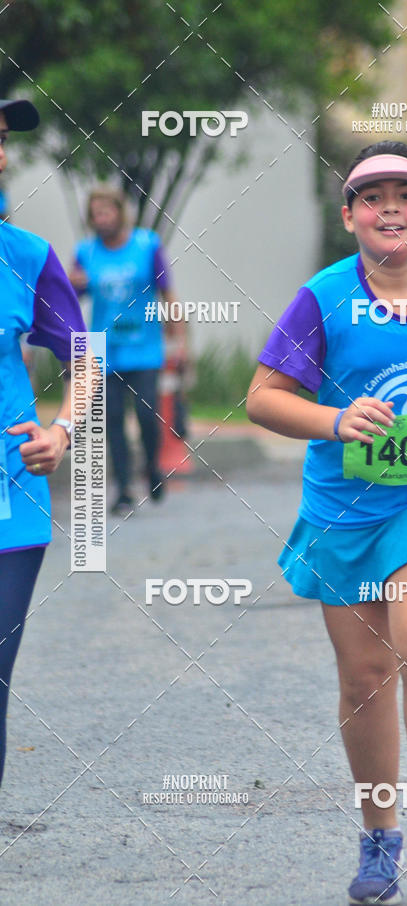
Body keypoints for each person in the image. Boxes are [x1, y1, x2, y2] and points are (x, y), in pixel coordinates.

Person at [247, 141, 407, 904]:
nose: (390, 207)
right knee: (363, 676)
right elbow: (262, 398)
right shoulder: (323, 297)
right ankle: (378, 831)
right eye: (372, 195)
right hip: (346, 507)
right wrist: (334, 417)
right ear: (349, 215)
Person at [0, 98, 87, 785]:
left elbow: (84, 355)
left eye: (0, 141)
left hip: (10, 500)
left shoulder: (27, 257)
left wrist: (61, 431)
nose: (1, 156)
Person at [69, 187, 187, 515]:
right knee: (113, 419)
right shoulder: (85, 252)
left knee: (148, 417)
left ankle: (151, 467)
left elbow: (168, 295)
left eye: (107, 211)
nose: (102, 219)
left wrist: (180, 343)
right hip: (102, 349)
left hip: (146, 348)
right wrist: (69, 285)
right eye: (96, 214)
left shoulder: (147, 246)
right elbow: (69, 301)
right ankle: (122, 489)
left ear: (121, 212)